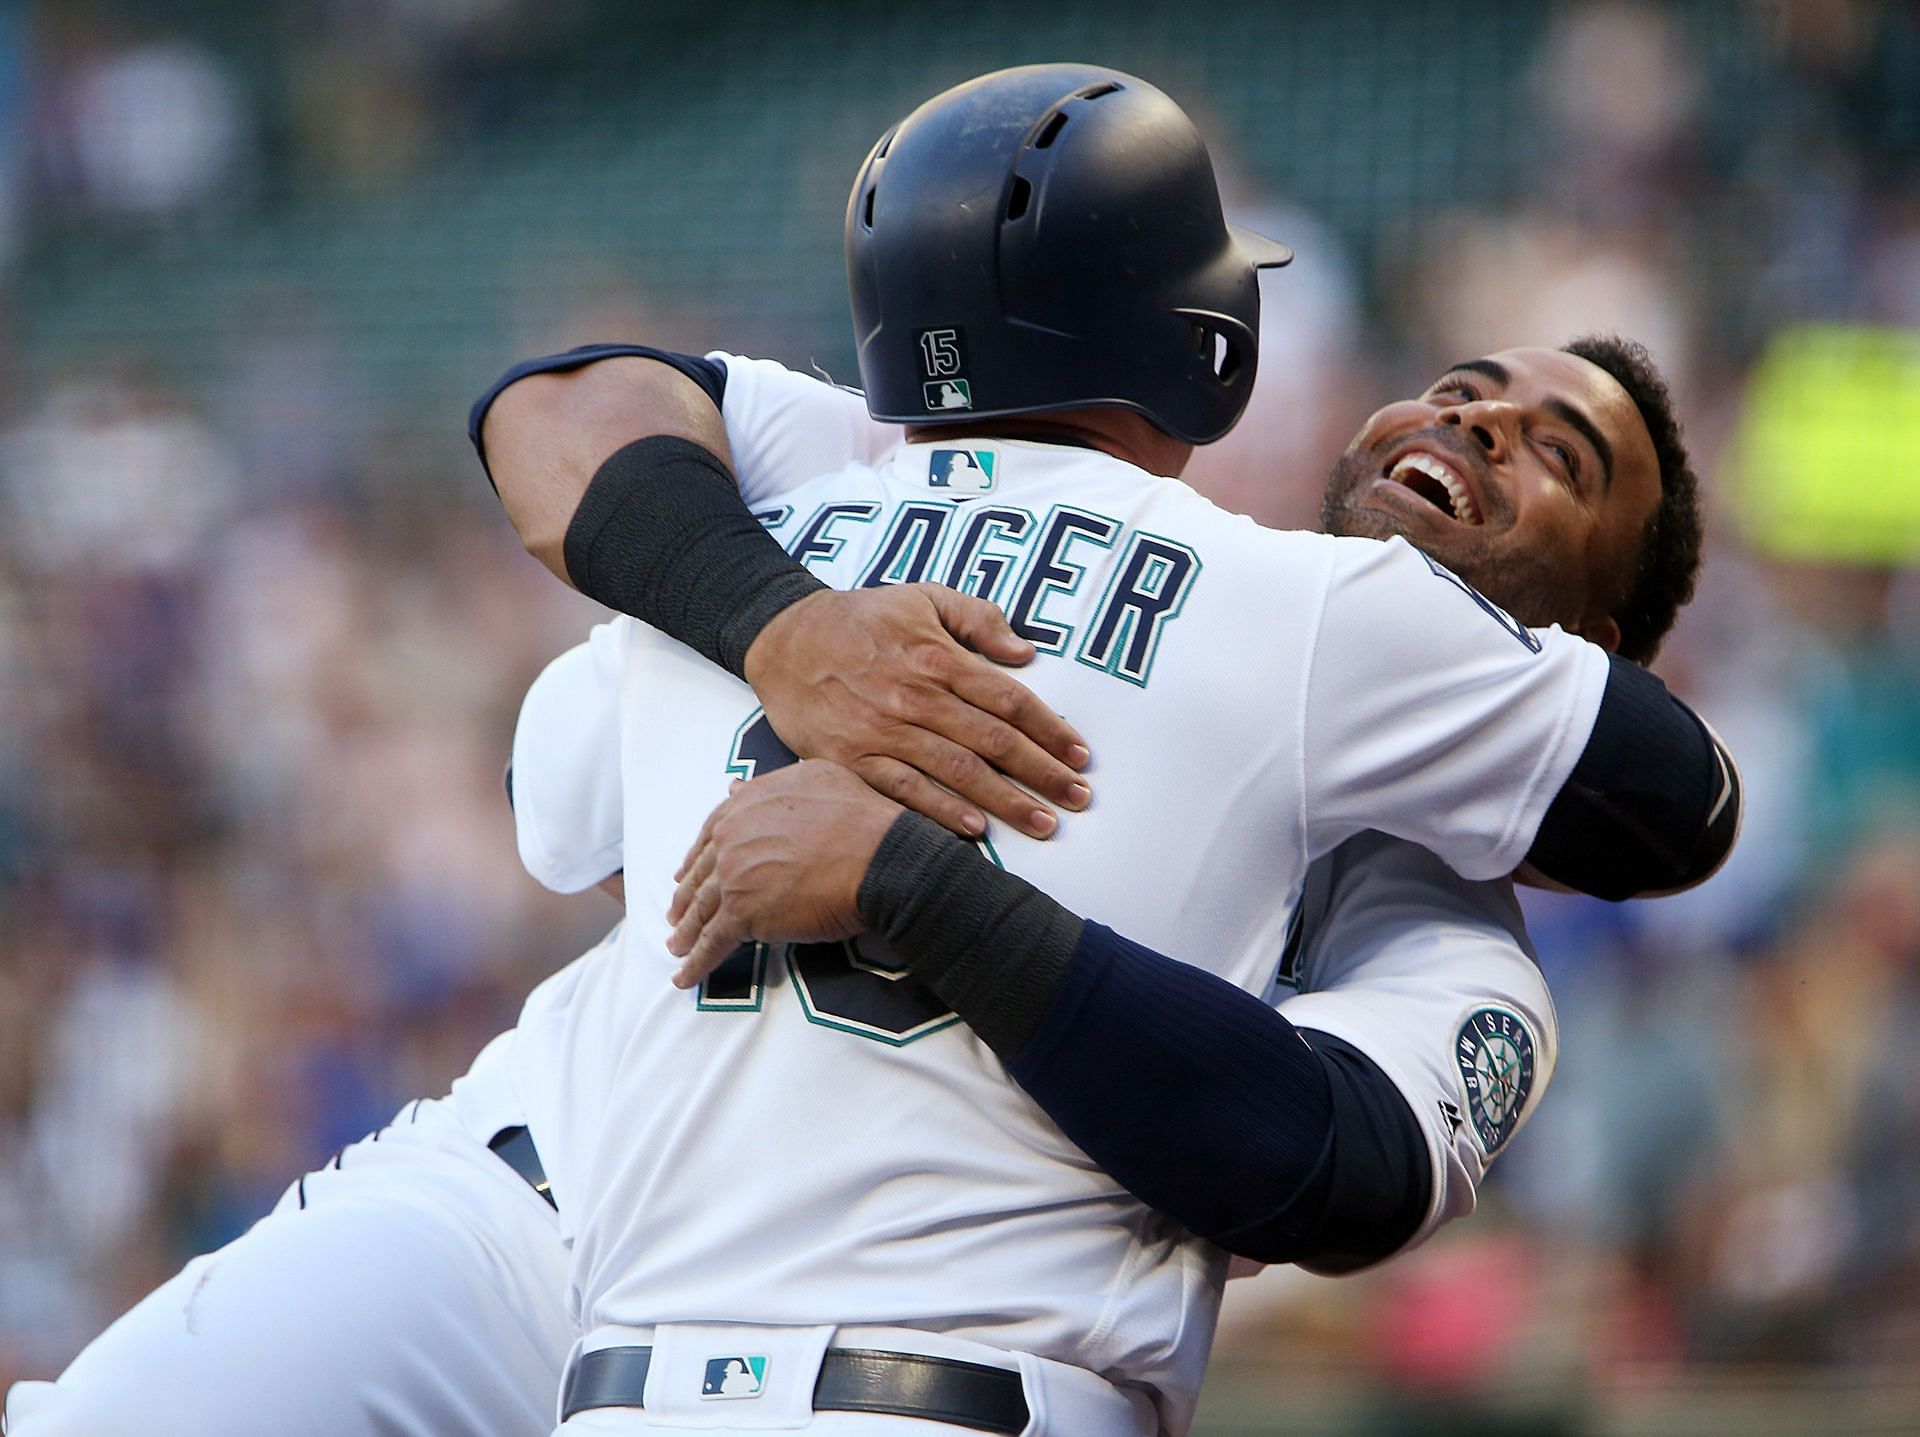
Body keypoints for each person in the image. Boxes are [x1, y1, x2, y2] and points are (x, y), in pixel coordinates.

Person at [2, 63, 1733, 1437]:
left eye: (1560, 456)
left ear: (1570, 659)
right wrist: (777, 622)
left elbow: (1337, 1156)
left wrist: (919, 882)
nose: (1476, 417)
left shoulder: (1438, 919)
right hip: (531, 1201)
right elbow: (560, 410)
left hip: (898, 1348)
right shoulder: (950, 476)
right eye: (1462, 381)